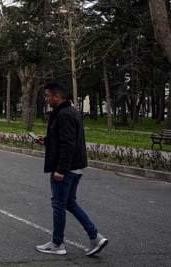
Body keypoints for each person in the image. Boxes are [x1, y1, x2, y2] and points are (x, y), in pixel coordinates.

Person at [35, 81, 108, 257]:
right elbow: (64, 139)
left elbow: (68, 144)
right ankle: (95, 236)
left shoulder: (64, 115)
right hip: (75, 167)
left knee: (59, 205)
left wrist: (60, 169)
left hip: (66, 168)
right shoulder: (68, 112)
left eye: (48, 95)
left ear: (57, 96)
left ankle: (57, 243)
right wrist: (47, 140)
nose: (46, 99)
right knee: (69, 202)